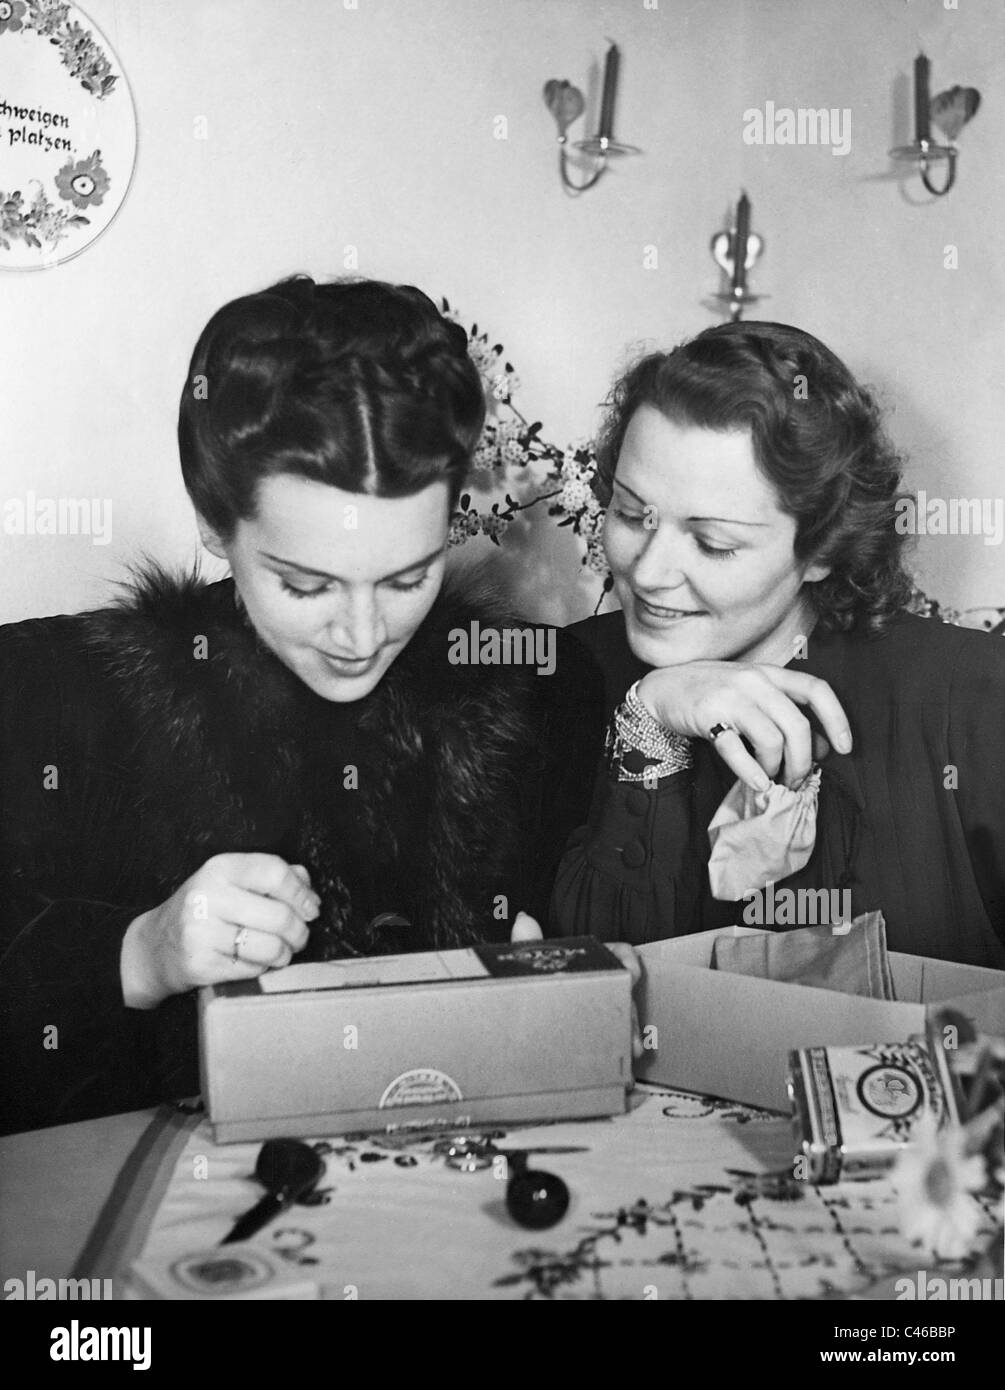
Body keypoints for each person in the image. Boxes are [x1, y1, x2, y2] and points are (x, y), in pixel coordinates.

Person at [0, 276, 602, 1134]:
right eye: (305, 584)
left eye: (406, 577)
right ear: (215, 525)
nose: (361, 633)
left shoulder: (534, 688)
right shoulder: (60, 703)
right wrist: (142, 956)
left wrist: (667, 710)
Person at [552, 320, 1005, 968]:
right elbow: (582, 1002)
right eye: (630, 514)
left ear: (821, 548)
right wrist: (645, 727)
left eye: (712, 543)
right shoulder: (557, 684)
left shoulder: (972, 702)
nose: (649, 572)